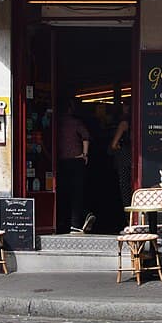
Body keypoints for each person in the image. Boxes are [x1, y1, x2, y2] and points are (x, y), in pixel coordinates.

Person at [58, 98, 95, 234]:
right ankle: (76, 223)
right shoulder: (75, 122)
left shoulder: (57, 123)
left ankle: (61, 222)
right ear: (70, 108)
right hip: (76, 161)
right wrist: (85, 154)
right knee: (77, 192)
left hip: (61, 162)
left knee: (63, 192)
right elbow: (86, 136)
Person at [108, 100, 132, 218]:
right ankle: (135, 218)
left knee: (125, 189)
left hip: (124, 158)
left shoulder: (124, 123)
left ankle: (129, 219)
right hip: (133, 159)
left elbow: (113, 144)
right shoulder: (139, 121)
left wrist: (118, 146)